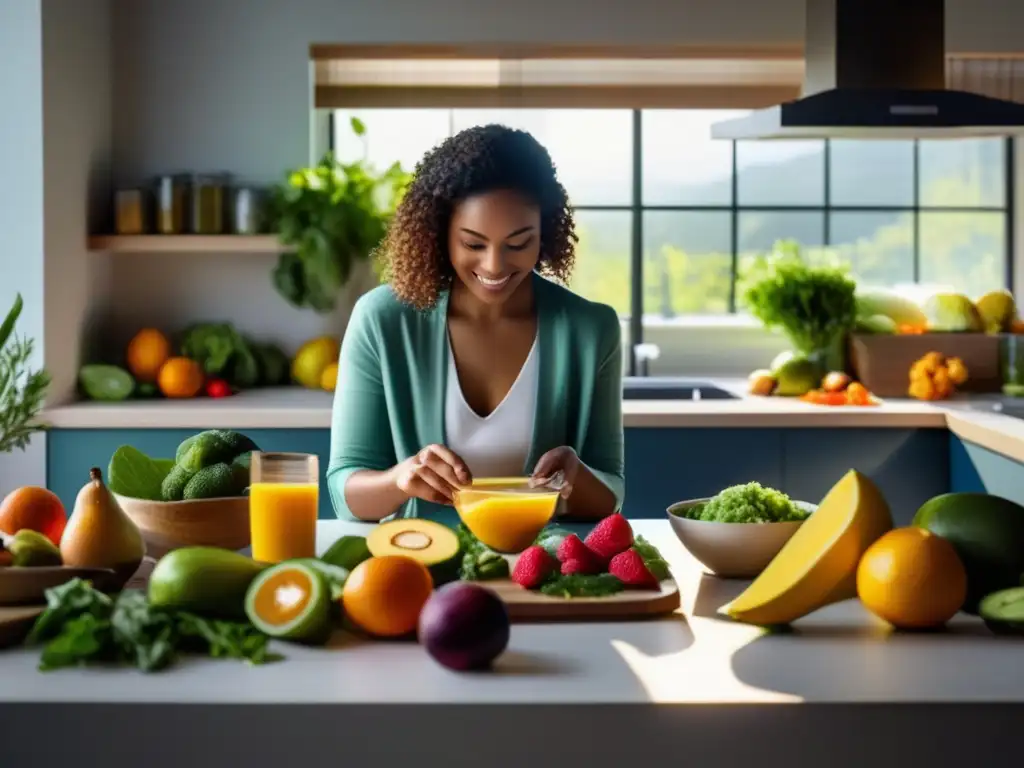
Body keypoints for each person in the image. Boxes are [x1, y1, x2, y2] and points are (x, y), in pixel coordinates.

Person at [326, 123, 624, 523]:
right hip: (424, 565)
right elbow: (344, 492)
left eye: (518, 244)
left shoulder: (591, 330)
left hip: (543, 572)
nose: (495, 266)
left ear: (546, 231)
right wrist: (400, 479)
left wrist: (577, 476)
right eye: (473, 244)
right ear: (440, 233)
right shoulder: (383, 320)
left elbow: (611, 496)